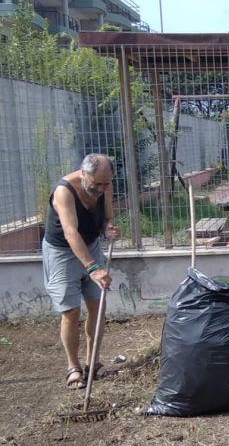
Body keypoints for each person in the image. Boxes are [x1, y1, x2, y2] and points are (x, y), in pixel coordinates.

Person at [42, 154, 119, 389]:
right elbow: (70, 233)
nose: (102, 188)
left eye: (106, 184)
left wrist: (108, 228)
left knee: (98, 304)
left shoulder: (105, 185)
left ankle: (92, 363)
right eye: (97, 183)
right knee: (71, 311)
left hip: (92, 246)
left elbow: (107, 217)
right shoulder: (64, 191)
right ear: (83, 173)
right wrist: (93, 268)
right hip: (62, 252)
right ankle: (73, 367)